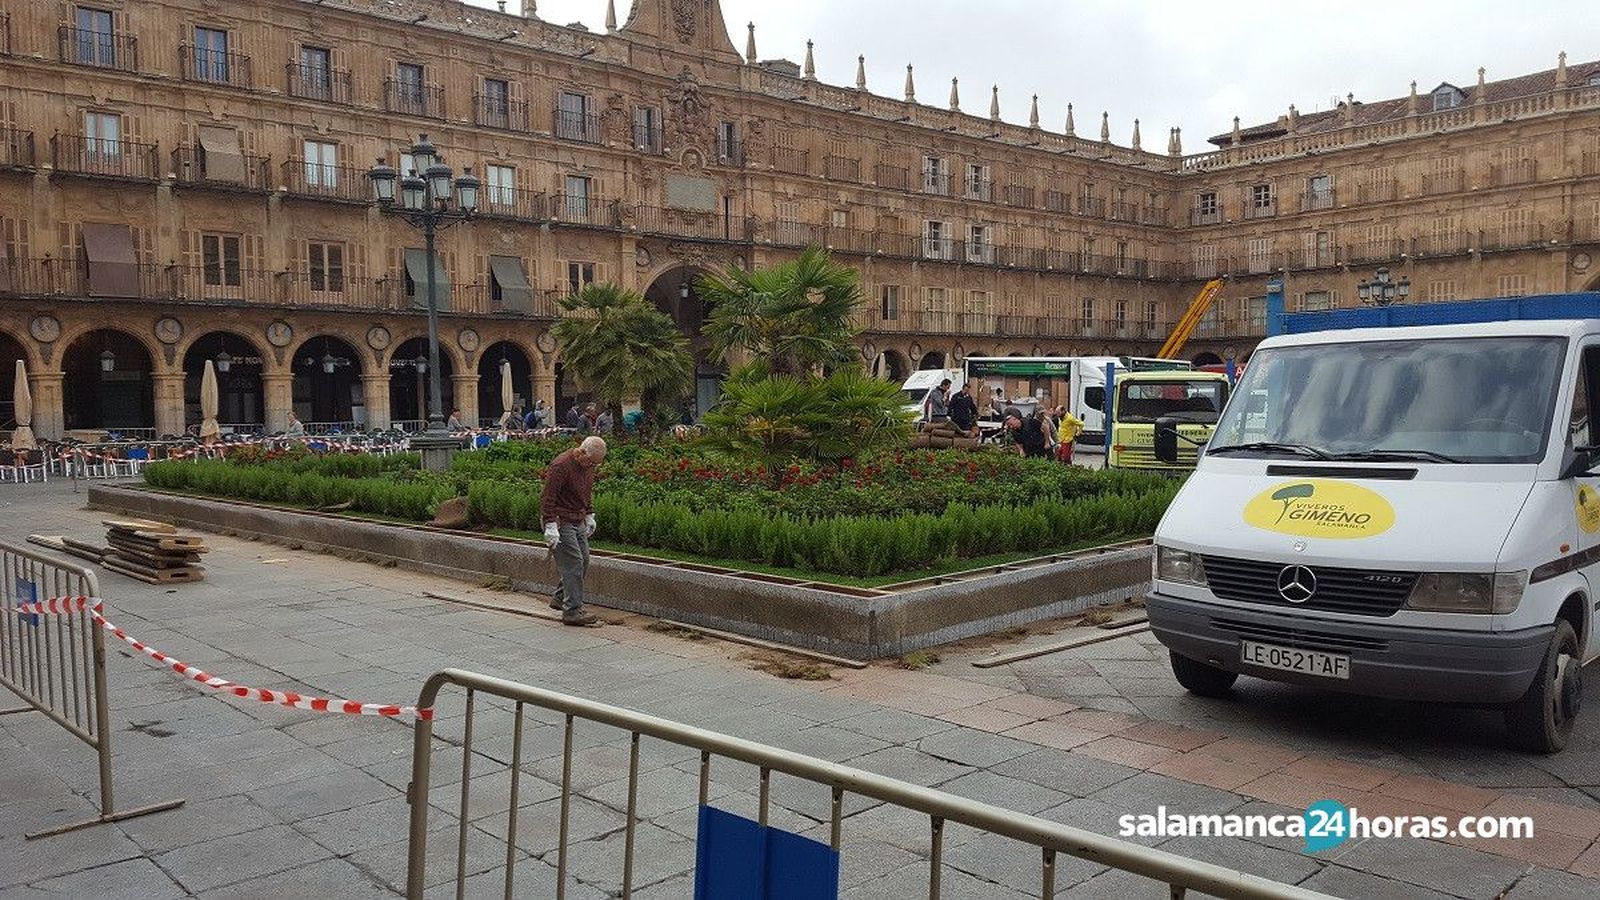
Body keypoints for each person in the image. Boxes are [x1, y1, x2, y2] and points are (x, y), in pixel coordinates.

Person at [541, 436, 607, 626]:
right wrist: (550, 524)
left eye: (596, 464)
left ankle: (561, 597)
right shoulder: (561, 466)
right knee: (574, 563)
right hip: (560, 520)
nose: (592, 466)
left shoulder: (588, 464)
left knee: (584, 559)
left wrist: (589, 513)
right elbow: (547, 497)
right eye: (591, 462)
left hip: (577, 517)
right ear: (582, 452)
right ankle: (572, 611)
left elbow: (586, 491)